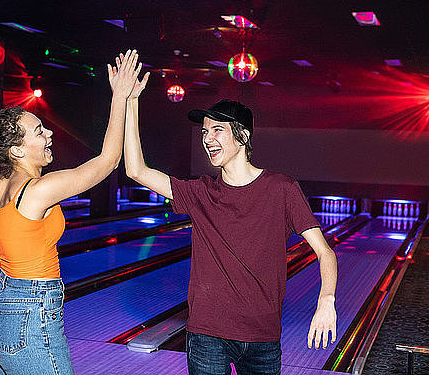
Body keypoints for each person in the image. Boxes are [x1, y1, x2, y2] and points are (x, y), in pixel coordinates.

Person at [122, 70, 337, 374]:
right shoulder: (200, 192)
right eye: (204, 132)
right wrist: (130, 102)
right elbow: (136, 170)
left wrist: (326, 300)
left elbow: (325, 252)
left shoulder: (282, 188)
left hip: (262, 339)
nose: (207, 138)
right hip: (207, 334)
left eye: (217, 130)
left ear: (243, 135)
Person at [0, 50, 143, 375]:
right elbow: (107, 161)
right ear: (17, 149)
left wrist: (2, 260)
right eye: (39, 132)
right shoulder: (38, 190)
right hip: (29, 313)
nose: (49, 133)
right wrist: (120, 97)